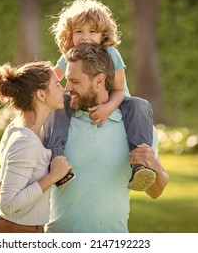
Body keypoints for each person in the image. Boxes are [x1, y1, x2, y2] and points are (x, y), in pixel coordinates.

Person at [44, 43, 169, 233]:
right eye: (67, 80)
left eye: (75, 81)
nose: (67, 88)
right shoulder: (55, 124)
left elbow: (155, 191)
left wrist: (155, 166)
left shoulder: (137, 127)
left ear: (99, 81)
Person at [49, 0, 155, 191]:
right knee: (60, 103)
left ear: (103, 34)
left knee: (140, 104)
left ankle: (140, 165)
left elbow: (118, 90)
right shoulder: (71, 56)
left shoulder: (111, 54)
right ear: (69, 34)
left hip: (117, 100)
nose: (85, 37)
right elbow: (53, 77)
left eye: (92, 31)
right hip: (80, 99)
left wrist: (107, 108)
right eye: (78, 31)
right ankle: (56, 159)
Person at [0, 61, 72, 233]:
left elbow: (1, 183)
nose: (64, 90)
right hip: (12, 231)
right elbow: (8, 204)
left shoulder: (21, 129)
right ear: (41, 95)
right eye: (58, 84)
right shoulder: (25, 141)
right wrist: (53, 177)